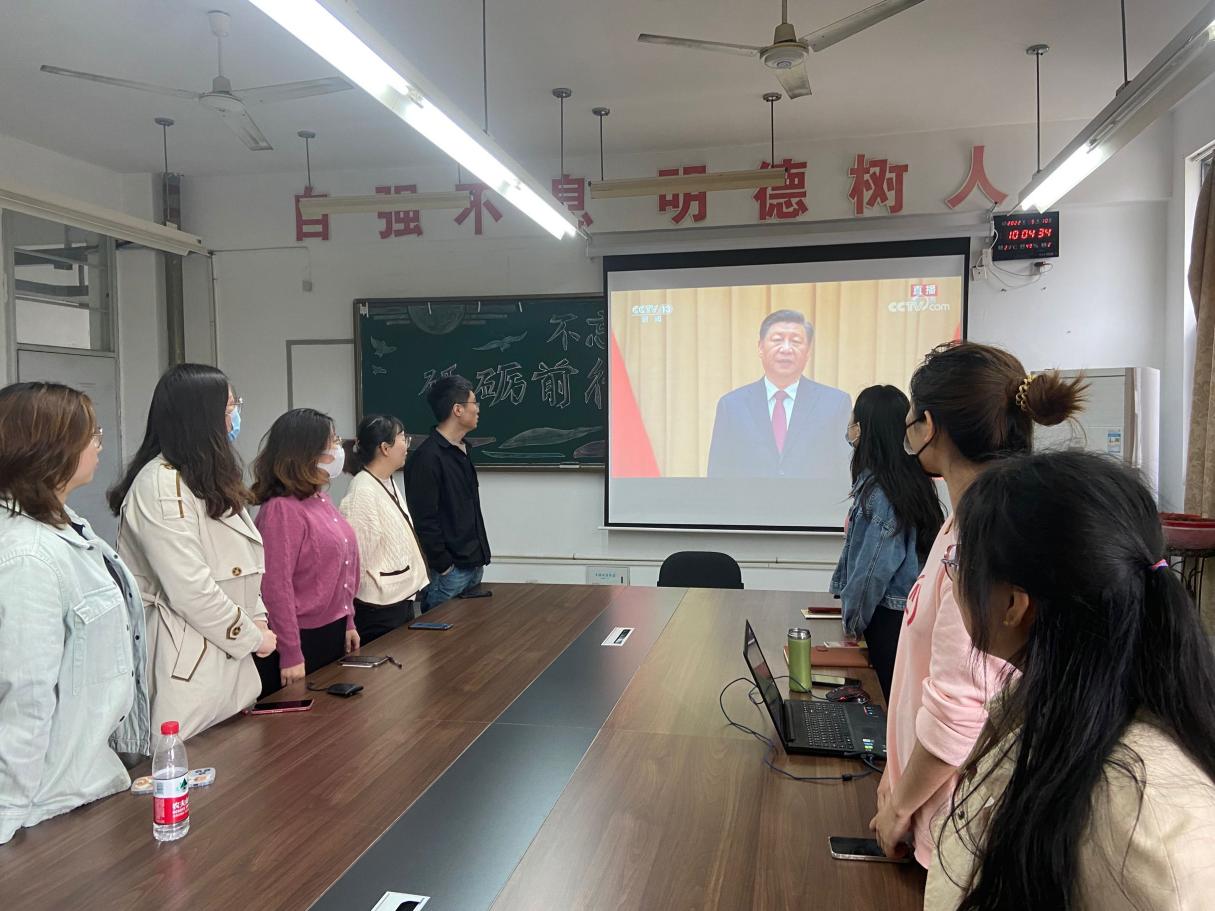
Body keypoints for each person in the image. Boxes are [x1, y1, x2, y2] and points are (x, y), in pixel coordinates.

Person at [926, 450, 1215, 909]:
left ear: (1013, 605)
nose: (954, 574)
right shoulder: (1054, 705)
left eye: (961, 562)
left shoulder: (1137, 823)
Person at [870, 342, 1086, 867]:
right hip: (927, 803)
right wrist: (894, 776)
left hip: (952, 826)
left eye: (911, 418)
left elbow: (959, 707)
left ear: (929, 426)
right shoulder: (962, 522)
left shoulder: (981, 543)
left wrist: (899, 807)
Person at [0, 382, 150, 844]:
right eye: (91, 434)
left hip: (90, 783)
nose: (98, 444)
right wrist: (7, 821)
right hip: (47, 809)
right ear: (50, 448)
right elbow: (23, 698)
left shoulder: (64, 526)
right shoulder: (27, 554)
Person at [111, 364, 276, 741]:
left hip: (224, 657)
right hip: (187, 665)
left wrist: (259, 618)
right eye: (230, 406)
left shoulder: (206, 477)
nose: (236, 416)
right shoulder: (160, 485)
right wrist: (252, 636)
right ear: (202, 416)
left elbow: (243, 567)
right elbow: (190, 589)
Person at [830, 385, 944, 701]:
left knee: (883, 704)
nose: (849, 429)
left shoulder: (880, 493)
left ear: (867, 430)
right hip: (899, 618)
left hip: (886, 623)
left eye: (854, 421)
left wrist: (851, 623)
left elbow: (871, 572)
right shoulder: (904, 483)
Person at [252, 408, 360, 694]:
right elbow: (275, 587)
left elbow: (344, 565)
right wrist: (291, 652)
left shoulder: (320, 499)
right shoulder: (281, 510)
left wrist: (348, 620)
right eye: (332, 442)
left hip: (332, 629)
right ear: (305, 451)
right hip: (299, 638)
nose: (338, 449)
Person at [706, 309, 852, 479]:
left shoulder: (835, 404)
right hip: (750, 497)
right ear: (760, 347)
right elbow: (718, 474)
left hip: (813, 497)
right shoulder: (732, 405)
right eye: (777, 340)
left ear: (808, 352)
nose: (786, 348)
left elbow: (846, 471)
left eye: (796, 341)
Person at [404, 376, 492, 611]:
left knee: (473, 631)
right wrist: (444, 566)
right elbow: (424, 519)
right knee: (442, 633)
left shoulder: (462, 450)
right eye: (474, 403)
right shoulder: (427, 458)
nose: (478, 409)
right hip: (450, 574)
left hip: (474, 565)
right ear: (457, 410)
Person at [339, 414, 429, 644]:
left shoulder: (385, 479)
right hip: (378, 609)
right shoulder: (362, 491)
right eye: (402, 438)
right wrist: (348, 618)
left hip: (397, 600)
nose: (407, 445)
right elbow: (356, 560)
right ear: (385, 448)